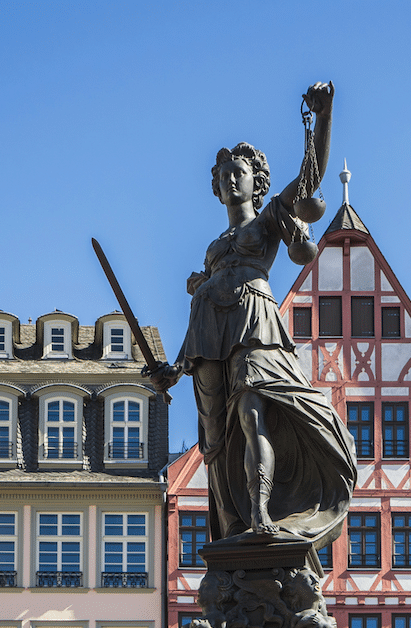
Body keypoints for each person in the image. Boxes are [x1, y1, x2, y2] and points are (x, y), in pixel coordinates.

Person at [146, 83, 355, 563]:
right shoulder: (213, 249)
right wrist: (174, 369)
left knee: (253, 412)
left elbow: (310, 177)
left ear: (255, 181)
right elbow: (199, 310)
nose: (228, 179)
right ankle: (233, 527)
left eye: (237, 171)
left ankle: (262, 515)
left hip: (253, 325)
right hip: (208, 338)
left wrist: (321, 119)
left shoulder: (266, 223)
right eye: (222, 173)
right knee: (215, 440)